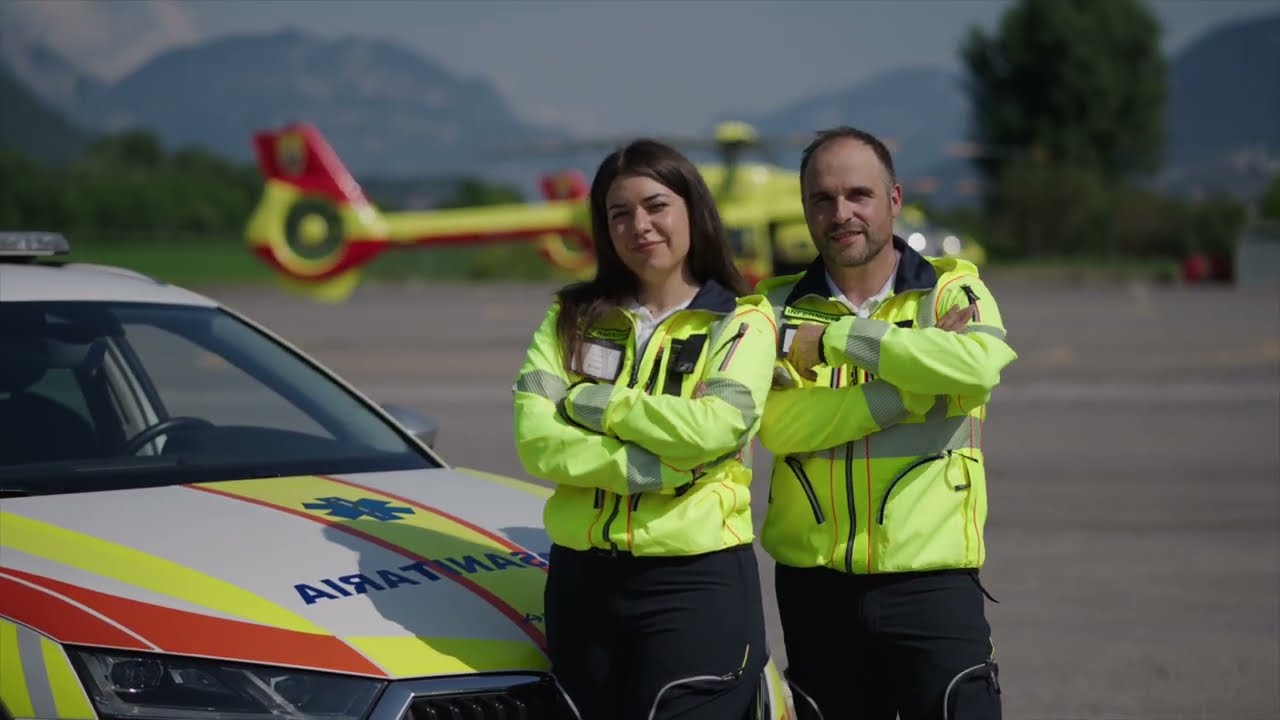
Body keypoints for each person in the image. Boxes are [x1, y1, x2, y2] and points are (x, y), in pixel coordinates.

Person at [755, 126, 1018, 720]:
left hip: (932, 581)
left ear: (894, 199)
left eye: (859, 195)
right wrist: (912, 390)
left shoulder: (951, 291)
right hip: (815, 585)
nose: (841, 213)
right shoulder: (769, 310)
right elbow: (777, 427)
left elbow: (978, 369)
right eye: (823, 199)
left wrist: (838, 340)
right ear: (805, 209)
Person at [511, 138, 779, 720]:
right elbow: (536, 442)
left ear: (693, 211)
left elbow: (714, 429)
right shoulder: (570, 318)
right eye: (620, 214)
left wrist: (593, 404)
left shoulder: (742, 322)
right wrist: (648, 470)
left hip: (694, 583)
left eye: (656, 206)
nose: (639, 226)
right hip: (582, 583)